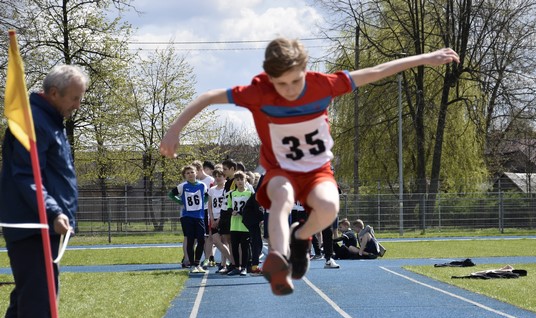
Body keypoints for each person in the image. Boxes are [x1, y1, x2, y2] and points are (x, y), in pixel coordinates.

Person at [160, 37, 459, 296]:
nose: (289, 90)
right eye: (281, 84)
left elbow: (378, 70)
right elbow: (207, 97)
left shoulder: (323, 84)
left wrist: (426, 58)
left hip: (317, 171)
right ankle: (278, 260)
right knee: (281, 198)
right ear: (269, 77)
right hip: (280, 170)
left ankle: (301, 238)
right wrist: (175, 130)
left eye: (295, 81)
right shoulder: (258, 91)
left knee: (329, 208)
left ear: (306, 71)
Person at [0, 64, 89, 318]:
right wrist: (53, 212)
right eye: (75, 98)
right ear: (54, 94)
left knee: (26, 298)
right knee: (39, 299)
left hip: (40, 224)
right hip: (33, 224)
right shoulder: (33, 122)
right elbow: (26, 176)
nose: (78, 105)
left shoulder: (49, 122)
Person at [168, 165, 208, 274]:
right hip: (187, 217)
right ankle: (192, 265)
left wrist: (202, 202)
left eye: (192, 172)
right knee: (190, 240)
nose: (190, 174)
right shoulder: (182, 186)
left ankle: (197, 263)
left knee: (201, 240)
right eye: (187, 173)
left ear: (196, 173)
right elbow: (171, 194)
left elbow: (207, 195)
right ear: (185, 175)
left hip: (199, 216)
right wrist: (180, 202)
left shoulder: (202, 185)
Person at [227, 171, 253, 276]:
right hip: (234, 225)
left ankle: (244, 267)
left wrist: (243, 213)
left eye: (241, 179)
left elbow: (252, 209)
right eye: (237, 180)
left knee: (244, 247)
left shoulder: (250, 194)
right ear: (235, 182)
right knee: (234, 247)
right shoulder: (232, 194)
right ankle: (236, 267)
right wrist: (231, 212)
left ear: (245, 180)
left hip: (245, 225)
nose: (239, 181)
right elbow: (228, 207)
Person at [207, 167, 233, 272]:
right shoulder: (212, 190)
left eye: (220, 176)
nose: (218, 178)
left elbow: (226, 205)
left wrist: (219, 220)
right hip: (214, 218)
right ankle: (232, 261)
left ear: (224, 176)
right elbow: (209, 206)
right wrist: (212, 219)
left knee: (225, 241)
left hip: (224, 217)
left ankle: (224, 264)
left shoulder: (227, 189)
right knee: (216, 241)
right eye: (216, 176)